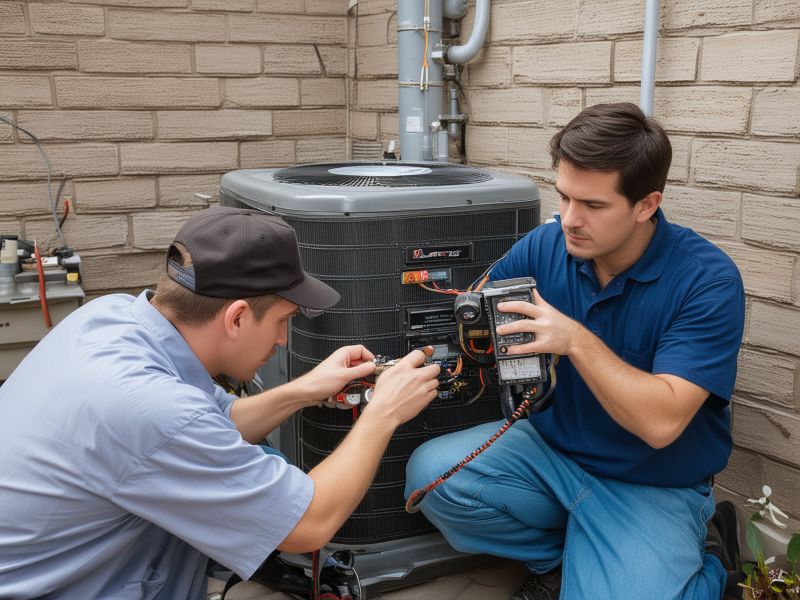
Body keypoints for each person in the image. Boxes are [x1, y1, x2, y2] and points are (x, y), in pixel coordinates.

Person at [0, 206, 441, 599]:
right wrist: (384, 412)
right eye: (283, 321)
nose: (284, 340)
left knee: (258, 458)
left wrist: (306, 388)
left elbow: (220, 419)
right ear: (237, 318)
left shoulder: (112, 316)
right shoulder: (150, 408)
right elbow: (308, 524)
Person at [405, 102, 746, 600]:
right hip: (550, 453)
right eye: (564, 197)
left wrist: (576, 340)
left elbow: (662, 423)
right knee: (431, 479)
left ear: (647, 205)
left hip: (650, 481)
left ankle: (710, 558)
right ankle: (559, 562)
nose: (569, 220)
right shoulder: (544, 247)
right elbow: (479, 311)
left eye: (593, 205)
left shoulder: (707, 281)